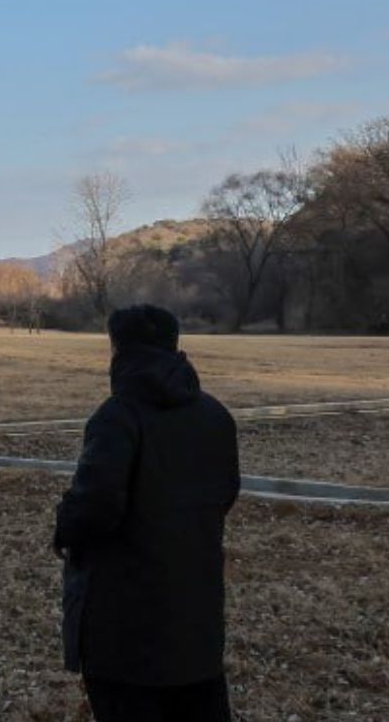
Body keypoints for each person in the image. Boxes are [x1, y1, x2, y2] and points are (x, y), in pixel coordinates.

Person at [53, 304, 242, 722]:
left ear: (118, 351)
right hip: (197, 621)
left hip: (124, 631)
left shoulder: (118, 417)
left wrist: (64, 527)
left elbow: (95, 506)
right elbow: (226, 494)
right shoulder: (216, 416)